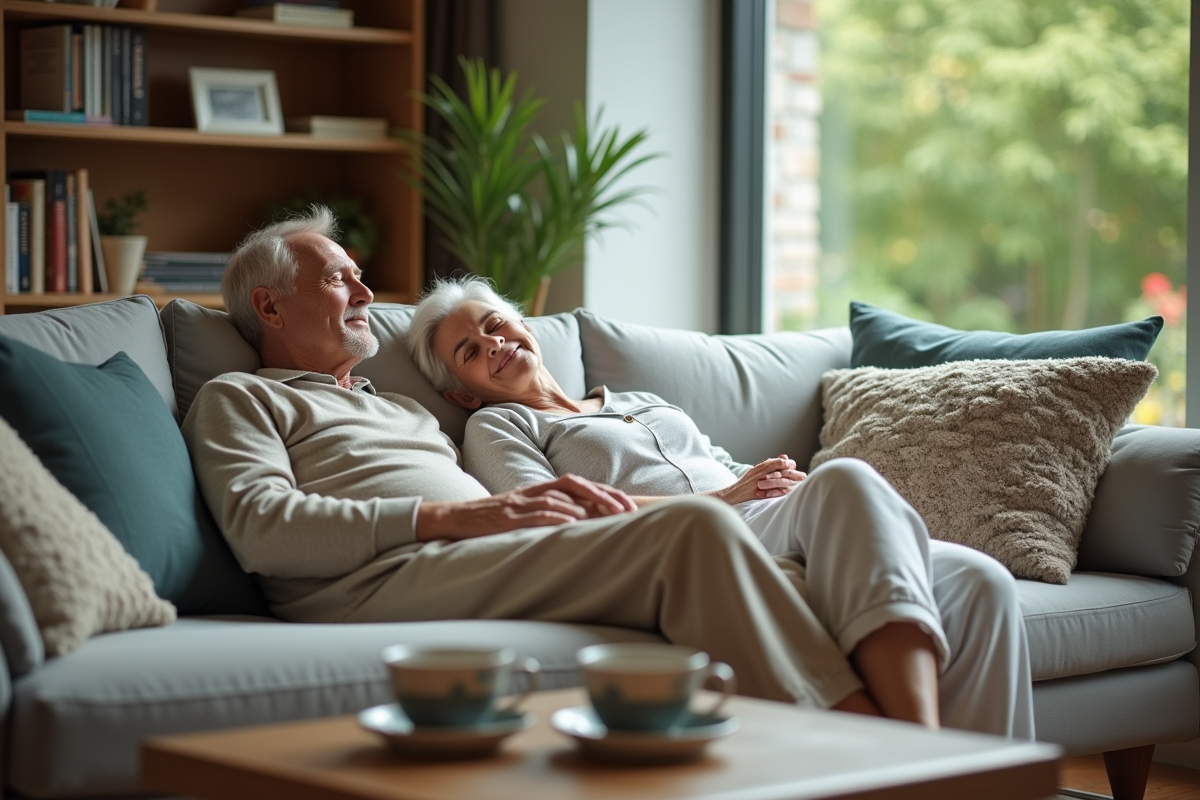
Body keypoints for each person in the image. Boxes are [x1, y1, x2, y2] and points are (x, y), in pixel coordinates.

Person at [407, 275, 1036, 739]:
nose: (492, 342)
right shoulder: (498, 427)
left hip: (762, 517)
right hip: (696, 545)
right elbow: (554, 514)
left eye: (494, 324)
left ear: (522, 326)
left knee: (981, 581)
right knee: (846, 479)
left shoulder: (640, 398)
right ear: (461, 392)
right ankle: (918, 761)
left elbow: (723, 465)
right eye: (469, 349)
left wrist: (775, 480)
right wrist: (726, 496)